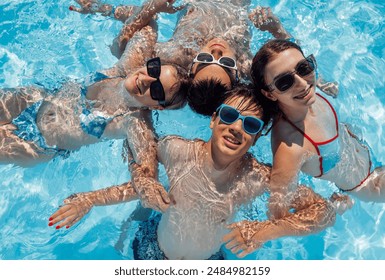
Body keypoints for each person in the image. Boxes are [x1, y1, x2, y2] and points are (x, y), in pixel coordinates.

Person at [48, 85, 350, 259]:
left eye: (251, 125)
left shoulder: (255, 178)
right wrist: (89, 199)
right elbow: (137, 154)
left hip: (209, 263)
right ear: (213, 120)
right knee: (151, 199)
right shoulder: (176, 151)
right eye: (230, 116)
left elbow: (322, 212)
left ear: (257, 137)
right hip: (152, 248)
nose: (236, 128)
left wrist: (264, 231)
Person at [70, 0, 338, 116]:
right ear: (236, 74)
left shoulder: (173, 53)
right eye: (226, 64)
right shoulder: (246, 63)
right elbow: (295, 65)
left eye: (206, 59)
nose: (217, 52)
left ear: (192, 68)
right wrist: (276, 29)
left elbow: (131, 41)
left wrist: (100, 8)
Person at [0, 20, 189, 167]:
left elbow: (147, 160)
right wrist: (100, 8)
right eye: (154, 70)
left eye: (156, 89)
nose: (146, 80)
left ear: (157, 106)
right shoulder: (124, 68)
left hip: (35, 144)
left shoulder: (132, 121)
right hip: (37, 100)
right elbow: (149, 25)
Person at [250, 39, 385, 221]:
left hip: (370, 151)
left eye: (303, 68)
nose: (302, 83)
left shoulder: (311, 90)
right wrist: (328, 206)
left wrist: (275, 27)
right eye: (284, 82)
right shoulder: (291, 148)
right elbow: (277, 215)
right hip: (368, 184)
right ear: (269, 94)